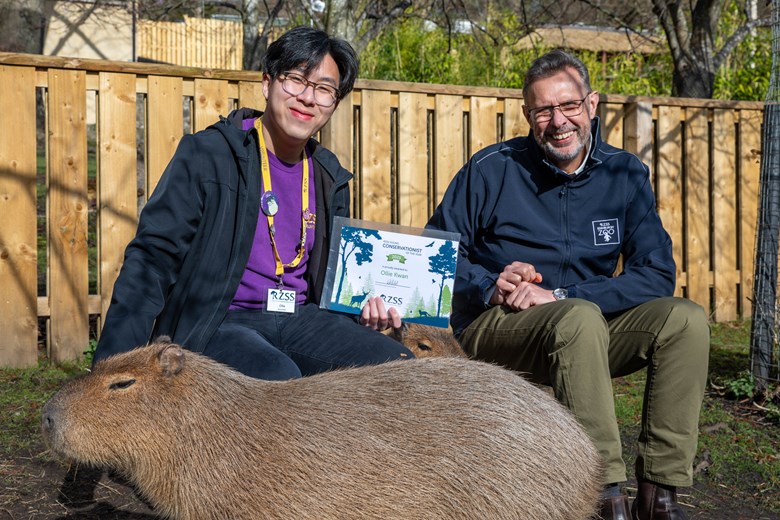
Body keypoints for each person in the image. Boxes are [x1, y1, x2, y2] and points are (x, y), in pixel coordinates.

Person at [426, 49, 709, 520]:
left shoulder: (625, 174)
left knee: (686, 319)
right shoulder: (491, 169)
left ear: (591, 104)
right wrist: (490, 284)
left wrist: (561, 295)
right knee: (577, 319)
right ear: (527, 116)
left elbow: (657, 274)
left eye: (569, 106)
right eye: (543, 110)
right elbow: (437, 252)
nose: (558, 121)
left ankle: (660, 494)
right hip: (499, 328)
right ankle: (603, 494)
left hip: (584, 330)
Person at [94, 26, 410, 379]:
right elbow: (152, 259)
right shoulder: (209, 156)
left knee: (398, 368)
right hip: (217, 320)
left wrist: (363, 308)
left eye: (324, 89)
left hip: (301, 318)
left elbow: (335, 280)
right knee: (279, 379)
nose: (308, 98)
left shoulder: (329, 176)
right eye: (295, 80)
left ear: (334, 103)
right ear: (267, 83)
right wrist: (113, 367)